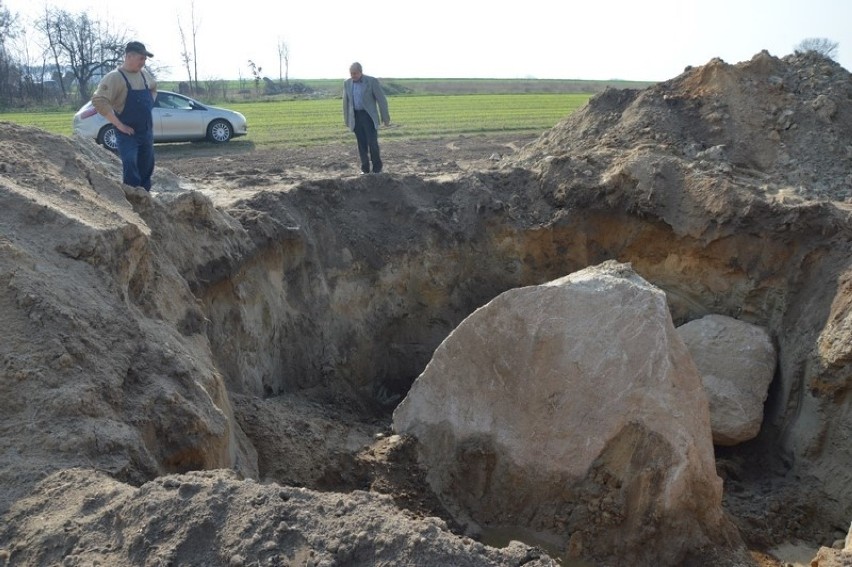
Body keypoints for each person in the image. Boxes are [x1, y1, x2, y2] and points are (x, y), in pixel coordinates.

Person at [92, 41, 158, 191]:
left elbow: (154, 88)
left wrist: (150, 104)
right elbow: (99, 100)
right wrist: (119, 125)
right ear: (129, 56)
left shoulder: (144, 75)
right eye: (141, 58)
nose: (143, 62)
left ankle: (145, 197)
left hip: (146, 131)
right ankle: (132, 198)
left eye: (145, 59)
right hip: (127, 133)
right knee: (130, 163)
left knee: (147, 165)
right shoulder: (115, 77)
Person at [342, 62, 390, 175]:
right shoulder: (347, 83)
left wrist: (385, 117)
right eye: (351, 73)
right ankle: (365, 169)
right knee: (361, 144)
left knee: (372, 143)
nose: (353, 76)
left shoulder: (371, 81)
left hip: (368, 116)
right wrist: (347, 119)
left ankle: (377, 168)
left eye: (355, 73)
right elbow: (345, 103)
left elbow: (381, 100)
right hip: (356, 116)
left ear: (360, 72)